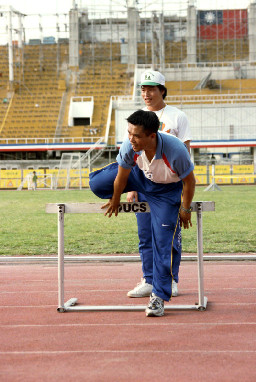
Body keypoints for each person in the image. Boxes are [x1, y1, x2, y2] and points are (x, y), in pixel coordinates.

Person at [89, 110, 195, 317]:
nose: (131, 138)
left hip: (165, 190)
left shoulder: (176, 150)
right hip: (139, 176)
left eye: (136, 135)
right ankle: (120, 170)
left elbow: (190, 182)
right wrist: (117, 198)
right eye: (129, 133)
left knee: (163, 242)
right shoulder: (130, 145)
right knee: (97, 184)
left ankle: (158, 296)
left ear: (152, 135)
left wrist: (185, 208)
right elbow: (121, 177)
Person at [126, 69, 192, 299]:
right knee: (145, 234)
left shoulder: (177, 117)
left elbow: (185, 153)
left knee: (168, 236)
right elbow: (131, 153)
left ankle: (170, 280)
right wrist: (132, 186)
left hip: (169, 186)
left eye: (151, 89)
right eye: (143, 89)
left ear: (162, 90)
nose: (146, 93)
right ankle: (149, 279)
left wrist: (184, 191)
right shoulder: (136, 117)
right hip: (144, 184)